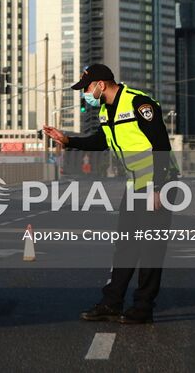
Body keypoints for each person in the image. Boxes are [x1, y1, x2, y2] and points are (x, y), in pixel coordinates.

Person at [43, 63, 176, 325]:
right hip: (135, 184)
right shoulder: (106, 111)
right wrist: (69, 141)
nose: (85, 93)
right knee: (125, 247)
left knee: (150, 248)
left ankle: (143, 307)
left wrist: (159, 188)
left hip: (159, 182)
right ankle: (112, 303)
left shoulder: (139, 104)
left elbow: (161, 144)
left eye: (87, 88)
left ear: (101, 84)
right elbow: (101, 142)